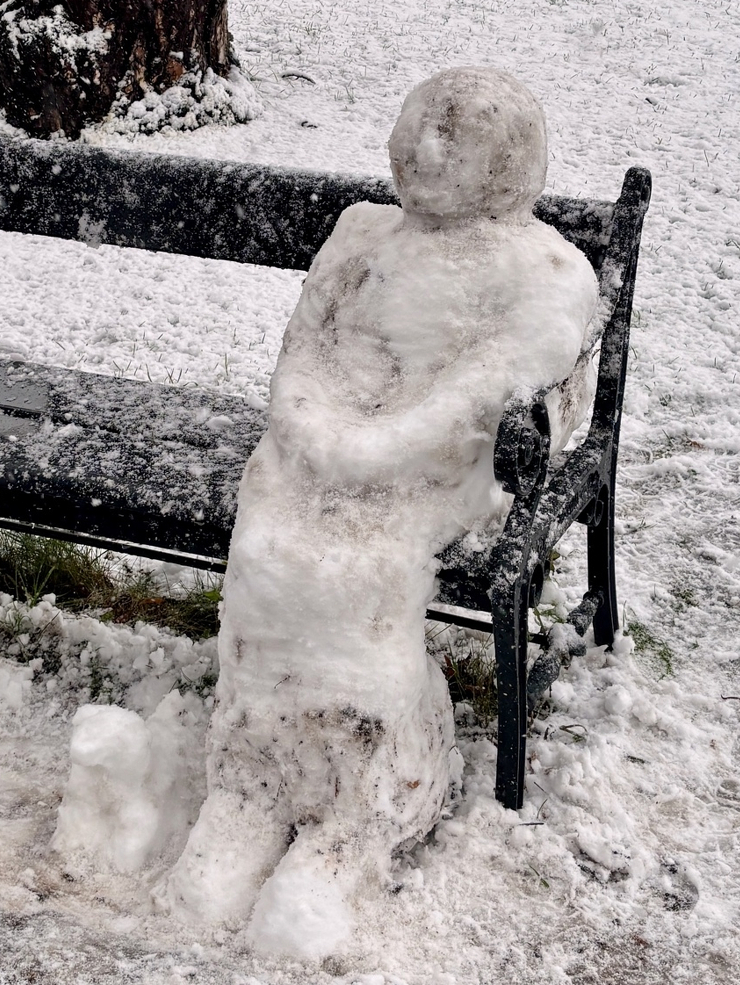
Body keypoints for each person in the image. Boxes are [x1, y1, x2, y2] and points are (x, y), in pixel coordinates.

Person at [156, 66, 603, 958]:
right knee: (274, 547)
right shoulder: (361, 235)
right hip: (312, 458)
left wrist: (369, 450)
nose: (415, 147)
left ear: (504, 159)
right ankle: (254, 783)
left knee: (355, 567)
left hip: (437, 477)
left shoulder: (541, 270)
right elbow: (302, 350)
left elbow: (483, 397)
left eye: (449, 133)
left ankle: (365, 809)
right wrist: (311, 429)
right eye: (410, 124)